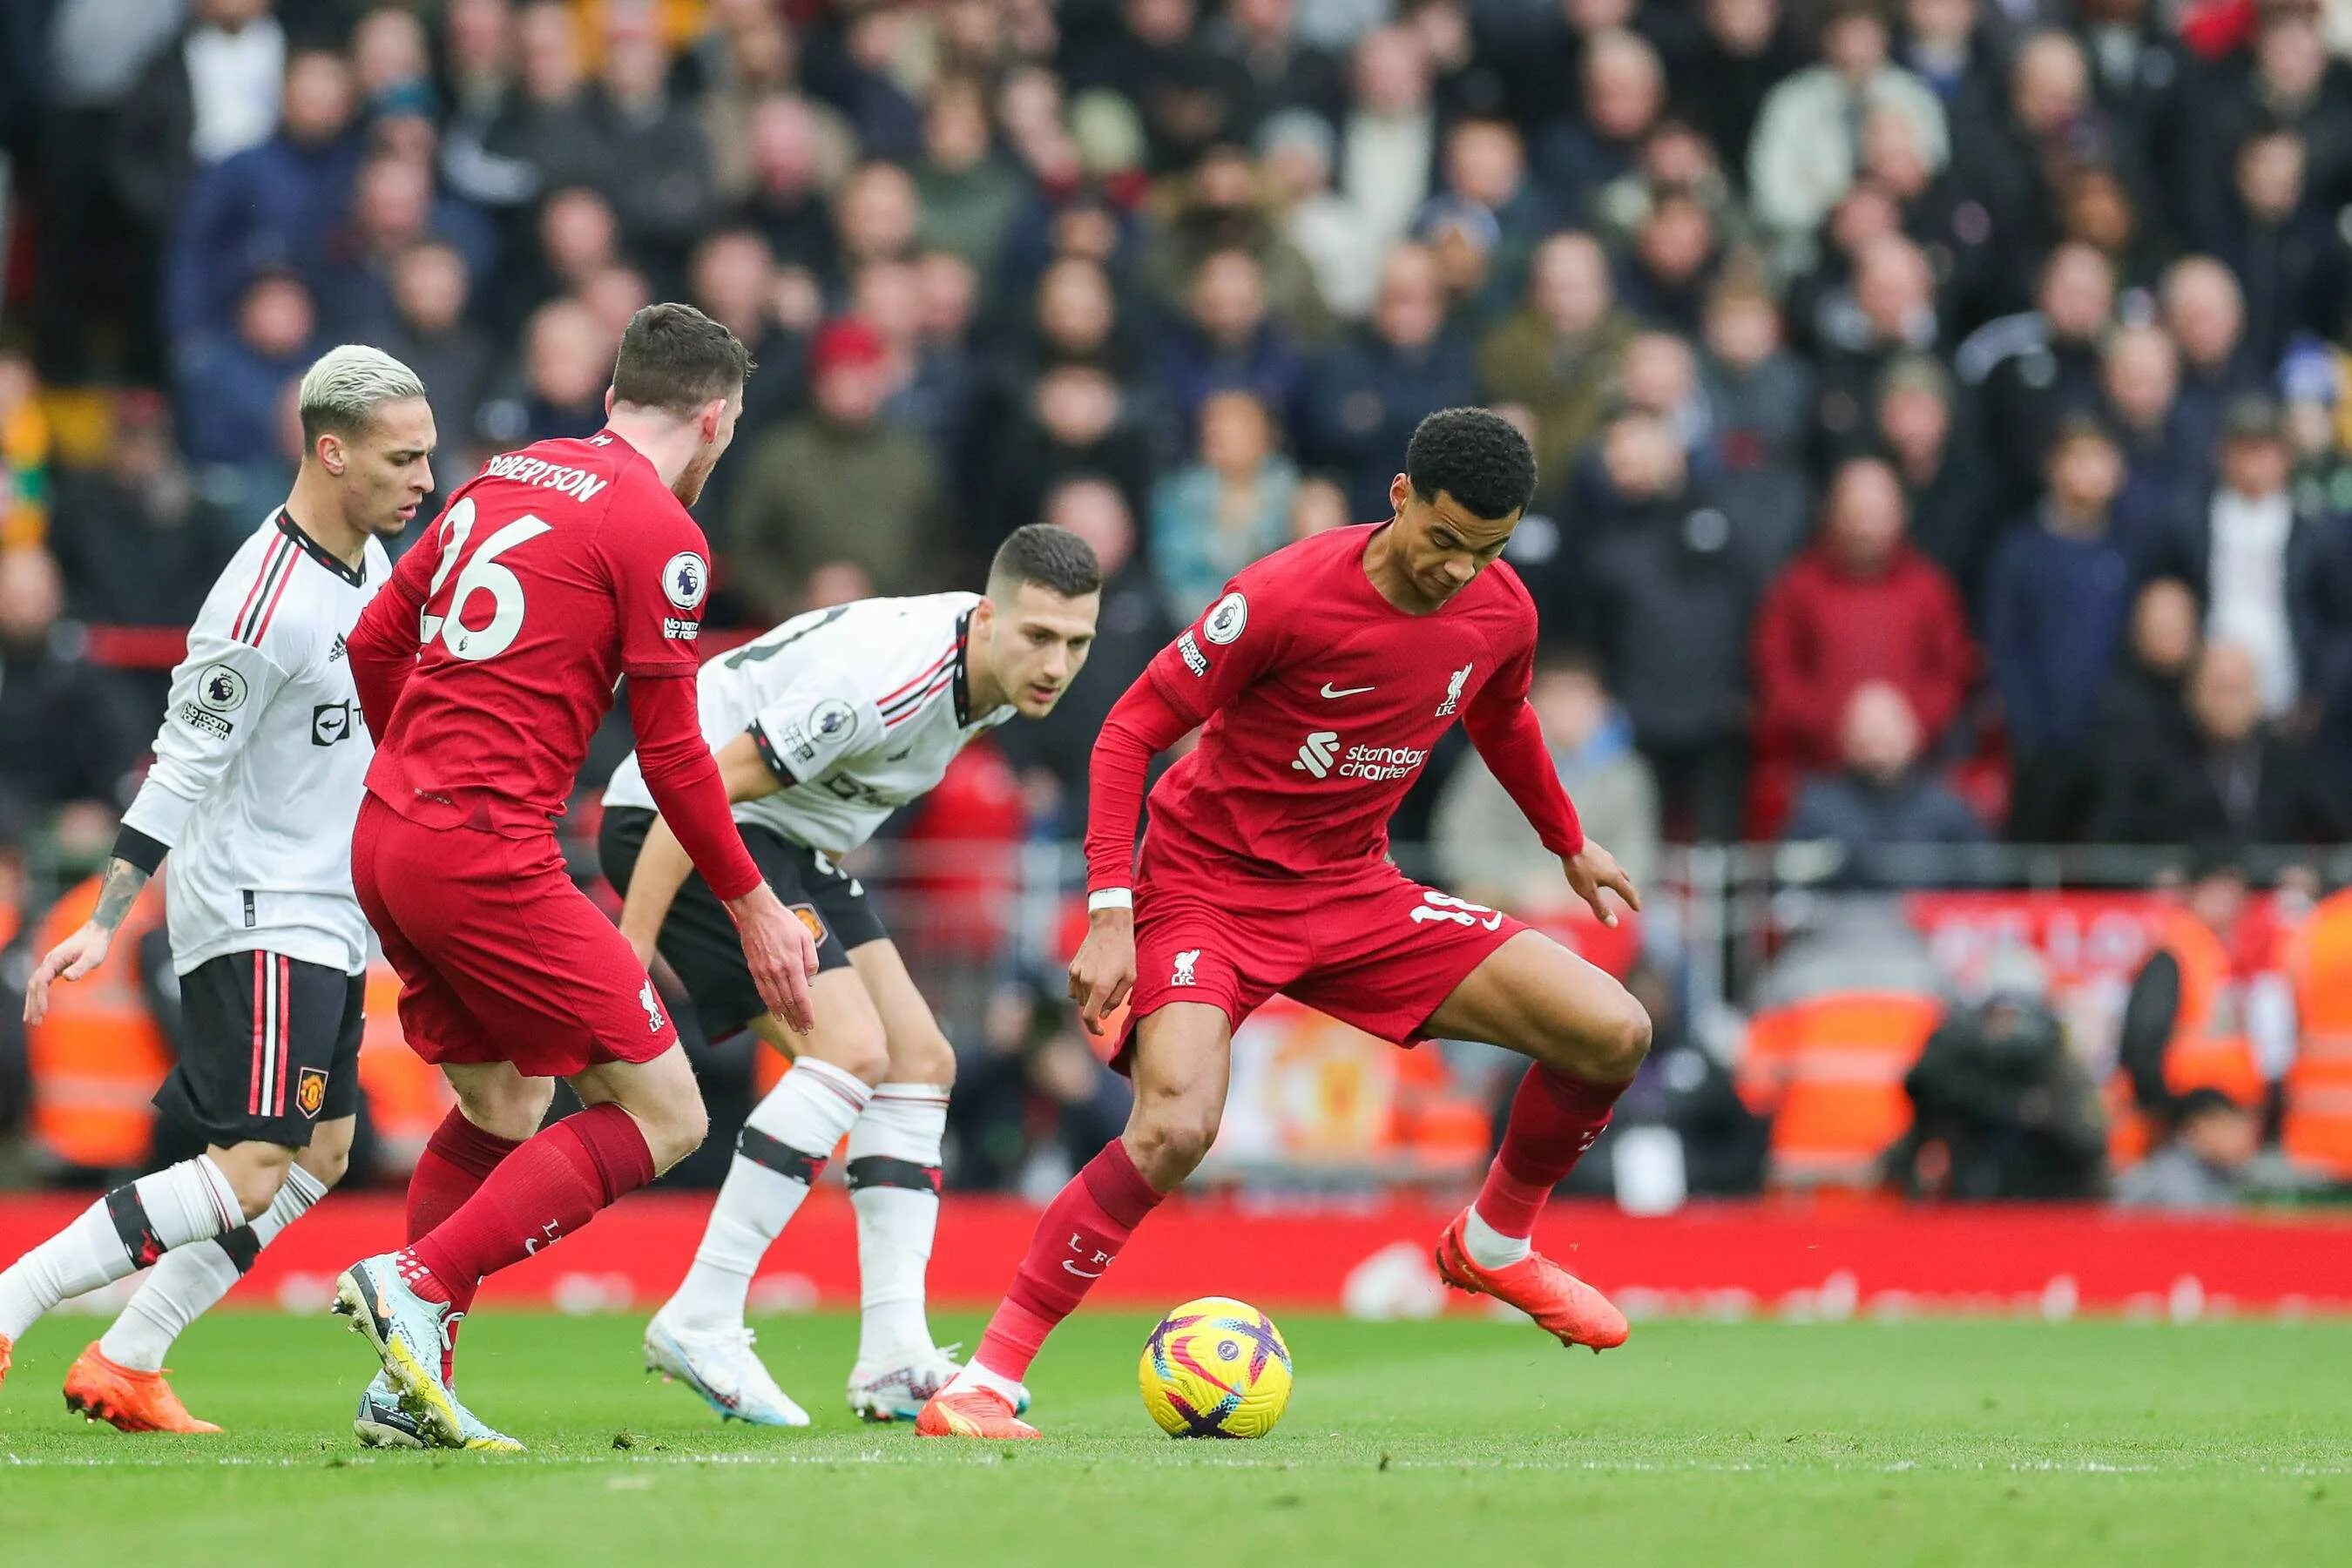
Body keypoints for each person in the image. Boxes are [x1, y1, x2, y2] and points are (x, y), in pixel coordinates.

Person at [917, 408, 1651, 1440]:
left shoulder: (1502, 609)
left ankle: (1492, 1242)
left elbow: (1503, 714)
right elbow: (1128, 731)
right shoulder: (1283, 594)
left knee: (1613, 1030)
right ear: (1399, 499)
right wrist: (1111, 912)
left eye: (1486, 551)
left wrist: (1567, 842)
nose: (1457, 571)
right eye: (1442, 541)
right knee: (1175, 1125)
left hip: (1357, 893)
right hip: (1206, 888)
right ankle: (986, 1380)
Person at [328, 304, 818, 1452]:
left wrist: (420, 768)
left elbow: (368, 646)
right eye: (729, 433)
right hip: (486, 851)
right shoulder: (664, 534)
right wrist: (753, 907)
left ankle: (408, 1384)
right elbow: (676, 751)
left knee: (503, 1103)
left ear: (611, 403)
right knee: (668, 1111)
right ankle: (420, 1281)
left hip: (391, 836)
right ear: (714, 421)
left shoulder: (503, 478)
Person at [1, 347, 434, 1433]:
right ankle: (12, 1300)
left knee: (322, 1154)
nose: (423, 477)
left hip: (325, 906)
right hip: (258, 902)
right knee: (249, 1166)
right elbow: (180, 762)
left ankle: (130, 1356)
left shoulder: (370, 560)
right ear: (332, 452)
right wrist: (106, 917)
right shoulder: (259, 601)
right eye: (403, 457)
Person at [598, 525, 1103, 1427]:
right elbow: (699, 787)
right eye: (1037, 636)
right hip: (681, 819)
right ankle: (702, 1314)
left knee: (920, 1061)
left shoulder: (993, 683)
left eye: (1076, 643)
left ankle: (893, 1355)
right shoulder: (887, 682)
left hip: (792, 840)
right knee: (852, 1051)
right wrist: (627, 961)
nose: (1055, 664)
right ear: (987, 619)